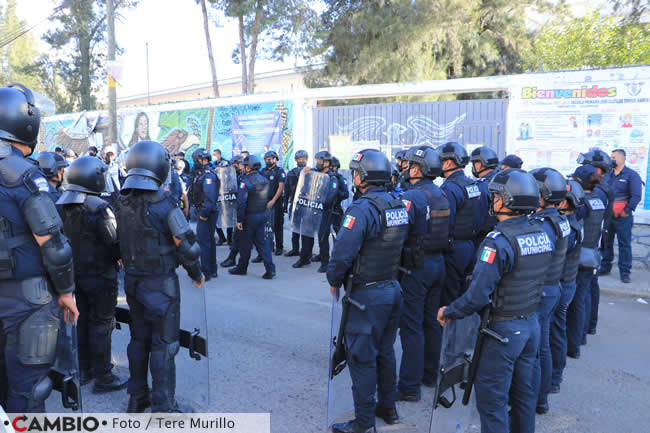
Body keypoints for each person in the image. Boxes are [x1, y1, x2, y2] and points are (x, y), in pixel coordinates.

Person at [438, 168, 554, 433]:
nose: (493, 200)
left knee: (492, 404)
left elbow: (477, 296)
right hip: (529, 324)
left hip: (501, 332)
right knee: (523, 397)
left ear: (506, 200)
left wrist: (449, 311)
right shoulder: (541, 232)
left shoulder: (497, 242)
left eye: (496, 195)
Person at [0, 83, 78, 412]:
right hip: (27, 301)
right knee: (30, 392)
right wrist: (67, 292)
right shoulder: (24, 175)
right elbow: (54, 245)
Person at [116, 140, 204, 412]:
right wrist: (196, 273)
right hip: (161, 284)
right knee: (164, 345)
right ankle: (163, 406)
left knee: (138, 340)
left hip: (133, 281)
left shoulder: (121, 202)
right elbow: (187, 246)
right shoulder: (165, 203)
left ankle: (137, 397)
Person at [327, 149, 408, 433]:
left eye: (356, 171)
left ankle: (363, 424)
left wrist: (333, 279)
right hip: (392, 288)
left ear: (363, 176)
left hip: (366, 295)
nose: (354, 176)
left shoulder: (361, 209)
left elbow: (342, 253)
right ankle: (389, 408)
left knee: (362, 359)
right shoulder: (398, 204)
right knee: (385, 351)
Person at [57, 156, 127, 393]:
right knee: (102, 324)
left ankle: (84, 370)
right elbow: (115, 241)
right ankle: (103, 376)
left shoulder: (62, 203)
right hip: (101, 275)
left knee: (84, 321)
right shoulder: (99, 207)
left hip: (76, 273)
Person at [397, 146, 449, 401]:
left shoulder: (413, 196)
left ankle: (409, 387)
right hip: (438, 263)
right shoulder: (441, 192)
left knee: (411, 327)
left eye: (408, 164)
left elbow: (399, 232)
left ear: (417, 169)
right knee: (431, 323)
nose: (405, 168)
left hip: (417, 266)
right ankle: (430, 375)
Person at [529, 167, 570, 415]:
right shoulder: (560, 219)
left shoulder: (542, 224)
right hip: (553, 287)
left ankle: (534, 399)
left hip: (542, 290)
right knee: (542, 346)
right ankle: (541, 398)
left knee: (534, 350)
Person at [566, 165, 605, 360]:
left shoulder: (583, 203)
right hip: (592, 254)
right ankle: (581, 336)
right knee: (584, 297)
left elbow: (574, 224)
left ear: (580, 182)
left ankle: (574, 345)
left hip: (580, 256)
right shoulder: (599, 199)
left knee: (576, 303)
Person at [550, 179, 585, 394]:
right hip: (567, 283)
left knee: (555, 332)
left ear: (566, 202)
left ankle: (554, 377)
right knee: (556, 331)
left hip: (562, 285)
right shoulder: (572, 222)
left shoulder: (567, 228)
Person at [439, 142, 480, 305]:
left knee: (448, 299)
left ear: (448, 162)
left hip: (453, 249)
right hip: (469, 246)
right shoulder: (471, 184)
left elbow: (445, 222)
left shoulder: (450, 188)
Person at [228, 155, 276, 279]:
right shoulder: (264, 179)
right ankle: (270, 269)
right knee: (262, 244)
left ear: (248, 167)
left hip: (250, 217)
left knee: (245, 244)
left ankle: (241, 268)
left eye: (244, 166)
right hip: (262, 215)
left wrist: (240, 219)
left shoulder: (246, 182)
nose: (243, 168)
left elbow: (241, 202)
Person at [600, 149, 643, 283]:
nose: (611, 160)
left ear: (623, 159)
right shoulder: (607, 175)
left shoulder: (632, 175)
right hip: (608, 215)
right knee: (606, 242)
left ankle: (625, 272)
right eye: (610, 157)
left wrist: (627, 210)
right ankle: (605, 267)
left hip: (623, 216)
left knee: (624, 244)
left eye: (613, 157)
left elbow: (636, 195)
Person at [299, 150, 339, 273]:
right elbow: (306, 188)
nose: (318, 163)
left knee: (323, 237)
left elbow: (330, 197)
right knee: (306, 234)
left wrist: (314, 198)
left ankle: (325, 263)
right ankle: (304, 258)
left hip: (325, 212)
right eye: (317, 161)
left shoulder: (332, 178)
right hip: (311, 209)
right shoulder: (315, 174)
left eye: (320, 161)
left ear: (327, 163)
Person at [191, 149, 219, 281]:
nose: (195, 162)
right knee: (209, 241)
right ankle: (212, 269)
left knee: (204, 242)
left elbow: (210, 197)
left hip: (206, 212)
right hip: (205, 210)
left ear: (204, 160)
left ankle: (206, 271)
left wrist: (204, 214)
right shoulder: (202, 173)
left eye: (197, 160)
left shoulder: (208, 175)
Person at [220, 154, 246, 267]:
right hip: (239, 210)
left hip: (247, 212)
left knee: (255, 240)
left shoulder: (246, 177)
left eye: (237, 164)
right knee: (238, 237)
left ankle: (269, 266)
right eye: (234, 164)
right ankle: (232, 258)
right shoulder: (235, 176)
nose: (235, 166)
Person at [258, 150, 285, 256]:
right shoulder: (262, 171)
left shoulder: (279, 171)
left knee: (277, 225)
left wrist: (273, 200)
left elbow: (281, 186)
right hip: (264, 201)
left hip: (276, 201)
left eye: (270, 159)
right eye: (266, 159)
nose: (268, 161)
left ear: (275, 160)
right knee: (265, 225)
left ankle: (279, 247)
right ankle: (269, 245)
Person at [470, 146, 499, 243]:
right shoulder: (501, 180)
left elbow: (477, 218)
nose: (473, 167)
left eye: (474, 163)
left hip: (483, 238)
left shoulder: (482, 186)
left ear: (480, 164)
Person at [284, 150, 308, 257]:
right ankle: (295, 249)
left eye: (303, 159)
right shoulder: (291, 173)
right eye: (299, 159)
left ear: (307, 160)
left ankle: (305, 251)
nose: (301, 161)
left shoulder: (311, 172)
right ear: (296, 160)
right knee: (295, 228)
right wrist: (285, 204)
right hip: (294, 203)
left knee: (306, 229)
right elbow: (287, 189)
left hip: (306, 205)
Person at [330, 156, 350, 234]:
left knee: (339, 233)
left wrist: (337, 192)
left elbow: (346, 194)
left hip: (336, 209)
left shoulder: (340, 179)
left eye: (333, 166)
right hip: (325, 209)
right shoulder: (326, 177)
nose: (331, 168)